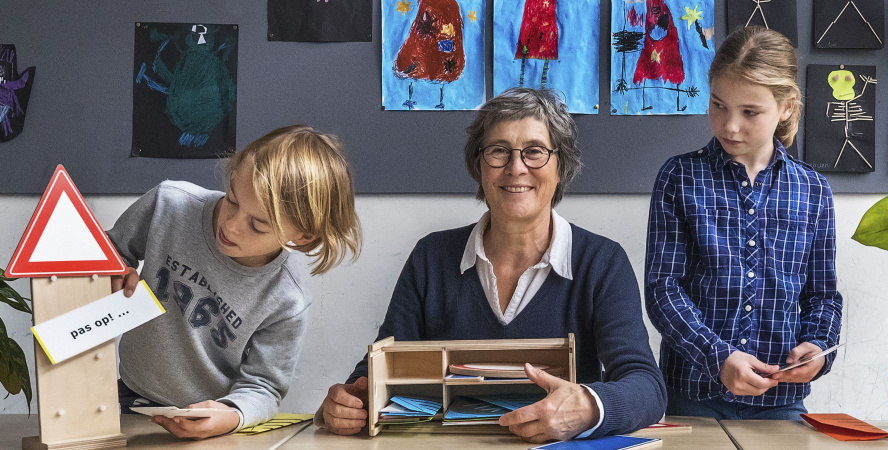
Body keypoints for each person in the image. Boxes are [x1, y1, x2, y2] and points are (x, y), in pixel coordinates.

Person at [316, 87, 666, 443]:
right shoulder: (431, 257)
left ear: (561, 166)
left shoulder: (602, 262)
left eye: (534, 152)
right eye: (499, 151)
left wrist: (588, 407)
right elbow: (372, 374)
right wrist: (342, 405)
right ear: (479, 166)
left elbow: (647, 386)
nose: (516, 168)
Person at [108, 125, 362, 439]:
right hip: (127, 395)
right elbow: (111, 251)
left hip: (209, 424)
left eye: (258, 225)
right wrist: (115, 268)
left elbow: (264, 387)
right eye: (232, 200)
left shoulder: (288, 299)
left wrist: (231, 416)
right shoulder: (169, 203)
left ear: (302, 235)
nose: (231, 225)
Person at [644, 26, 843, 420]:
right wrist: (717, 357)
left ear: (786, 107)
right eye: (719, 105)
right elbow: (662, 288)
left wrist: (820, 346)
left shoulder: (813, 189)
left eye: (749, 112)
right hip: (691, 396)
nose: (730, 126)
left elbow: (823, 295)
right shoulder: (680, 177)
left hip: (780, 401)